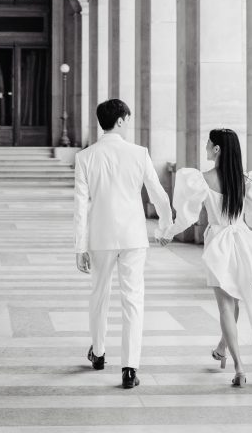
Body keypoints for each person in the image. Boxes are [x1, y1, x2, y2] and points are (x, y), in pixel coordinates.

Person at [160, 127, 252, 393]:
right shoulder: (247, 181)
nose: (206, 147)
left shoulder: (202, 179)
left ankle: (239, 367)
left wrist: (168, 232)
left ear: (217, 149)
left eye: (208, 143)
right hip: (244, 243)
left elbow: (188, 216)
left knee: (226, 307)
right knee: (234, 302)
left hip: (219, 244)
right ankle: (222, 347)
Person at [74, 98, 173, 390]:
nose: (128, 124)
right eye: (127, 119)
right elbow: (158, 194)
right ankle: (129, 368)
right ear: (120, 121)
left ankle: (99, 353)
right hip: (133, 237)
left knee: (99, 295)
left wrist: (80, 247)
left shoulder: (85, 157)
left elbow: (80, 207)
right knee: (133, 300)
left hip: (100, 236)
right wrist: (165, 226)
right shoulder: (139, 153)